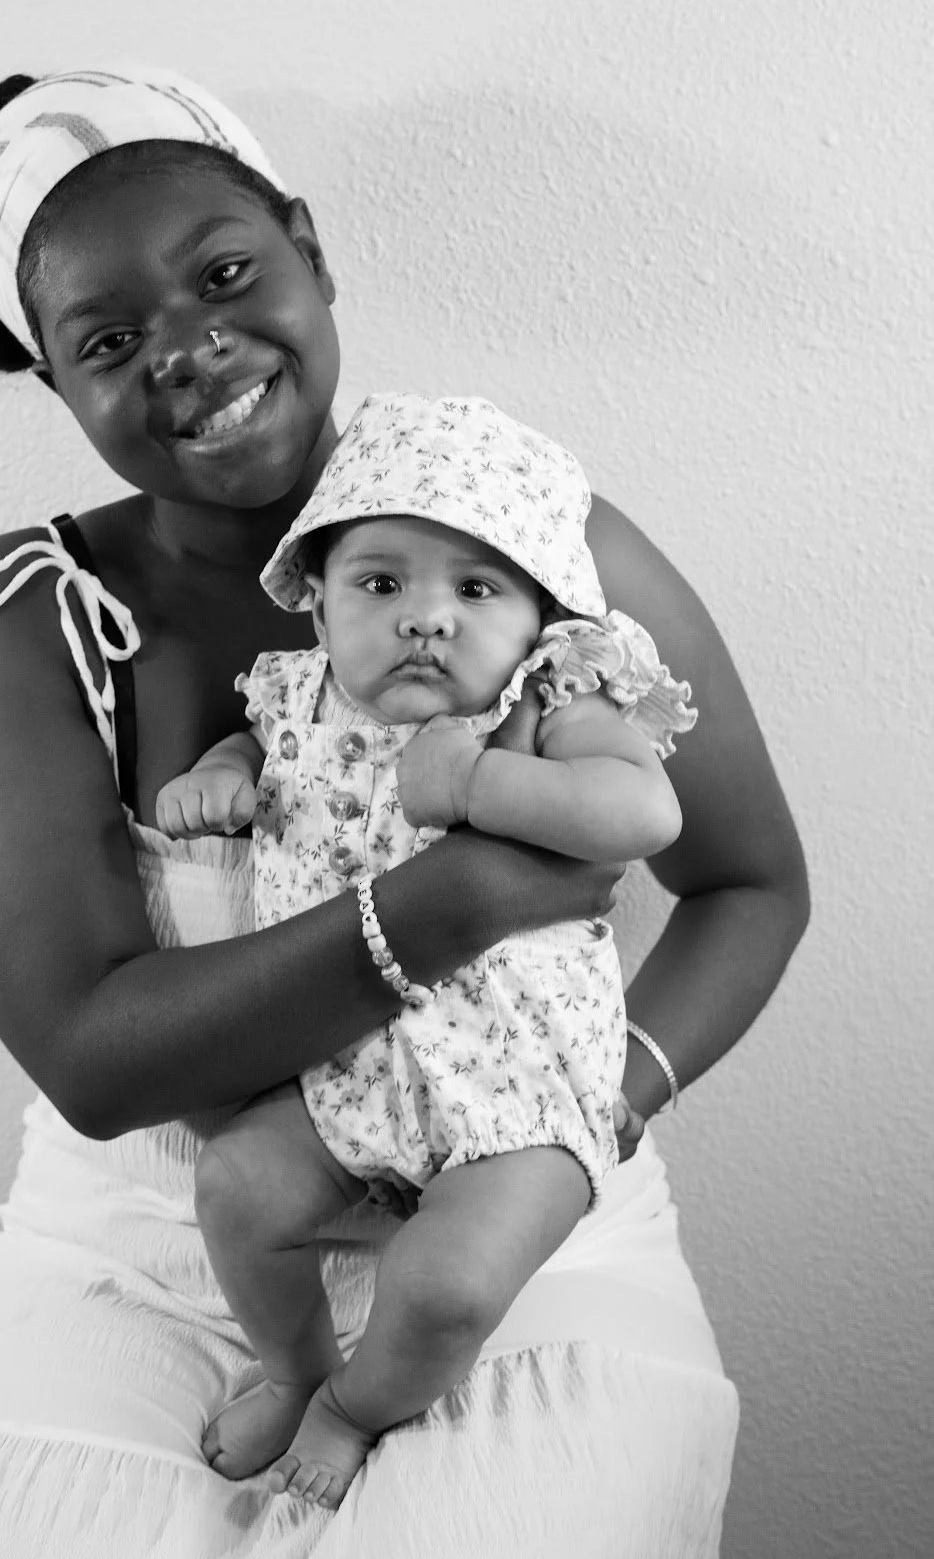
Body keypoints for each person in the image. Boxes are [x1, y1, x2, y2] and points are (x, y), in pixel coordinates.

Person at [0, 62, 808, 1557]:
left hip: (516, 1216)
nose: (188, 349)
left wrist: (597, 1106)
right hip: (147, 1246)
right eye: (109, 339)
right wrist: (453, 897)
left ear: (310, 252)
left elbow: (748, 882)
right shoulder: (21, 614)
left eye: (224, 275)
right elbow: (95, 1058)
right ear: (53, 379)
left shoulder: (536, 537)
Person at [157, 391, 699, 1508]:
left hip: (519, 1095)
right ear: (316, 602)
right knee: (237, 1189)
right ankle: (297, 1368)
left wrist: (478, 780)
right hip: (337, 1075)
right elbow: (253, 748)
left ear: (543, 616)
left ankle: (356, 1405)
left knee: (450, 1287)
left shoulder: (549, 704)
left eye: (477, 588)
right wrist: (221, 775)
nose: (426, 619)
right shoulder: (292, 696)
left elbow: (643, 813)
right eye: (380, 583)